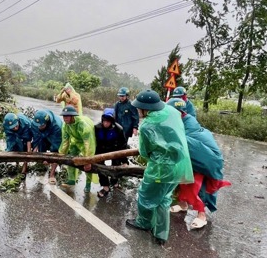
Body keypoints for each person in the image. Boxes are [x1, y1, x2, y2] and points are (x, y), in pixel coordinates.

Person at [125, 90, 193, 245]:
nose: (138, 111)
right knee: (164, 199)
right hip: (180, 164)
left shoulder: (148, 125)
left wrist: (156, 157)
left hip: (161, 169)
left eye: (139, 108)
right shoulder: (172, 112)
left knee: (145, 196)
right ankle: (161, 235)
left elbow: (144, 152)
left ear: (145, 108)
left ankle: (144, 223)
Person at [167, 98, 231, 229]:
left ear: (179, 113)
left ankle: (202, 216)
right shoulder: (181, 122)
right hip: (193, 160)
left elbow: (182, 144)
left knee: (198, 186)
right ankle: (183, 205)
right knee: (182, 180)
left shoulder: (189, 128)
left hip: (207, 162)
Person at [58, 105, 98, 193]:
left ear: (73, 116)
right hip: (75, 141)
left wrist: (88, 160)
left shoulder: (83, 124)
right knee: (70, 158)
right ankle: (71, 180)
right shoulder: (65, 125)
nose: (65, 118)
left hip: (86, 141)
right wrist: (60, 156)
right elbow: (65, 141)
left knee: (87, 165)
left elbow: (88, 144)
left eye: (67, 116)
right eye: (64, 116)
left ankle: (88, 184)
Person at [94, 108, 128, 198]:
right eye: (104, 121)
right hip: (101, 150)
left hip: (115, 149)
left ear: (112, 121)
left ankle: (115, 181)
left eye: (108, 121)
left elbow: (123, 145)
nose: (106, 123)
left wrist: (125, 161)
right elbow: (94, 143)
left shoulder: (119, 129)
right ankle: (105, 187)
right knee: (99, 166)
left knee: (116, 164)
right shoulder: (97, 128)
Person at [31, 109, 63, 185]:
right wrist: (34, 148)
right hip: (43, 135)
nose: (39, 127)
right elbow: (36, 137)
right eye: (37, 125)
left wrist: (49, 160)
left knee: (55, 153)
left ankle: (52, 174)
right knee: (41, 145)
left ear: (47, 122)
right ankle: (44, 163)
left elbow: (56, 147)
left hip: (54, 135)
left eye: (41, 125)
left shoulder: (57, 127)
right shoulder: (36, 123)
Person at [3, 112, 33, 178]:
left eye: (16, 126)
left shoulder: (26, 123)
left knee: (24, 149)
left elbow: (28, 140)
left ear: (18, 121)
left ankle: (24, 168)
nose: (15, 128)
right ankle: (16, 164)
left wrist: (28, 153)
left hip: (25, 130)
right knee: (12, 147)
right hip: (13, 134)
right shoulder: (6, 125)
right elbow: (9, 138)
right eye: (13, 127)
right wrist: (8, 151)